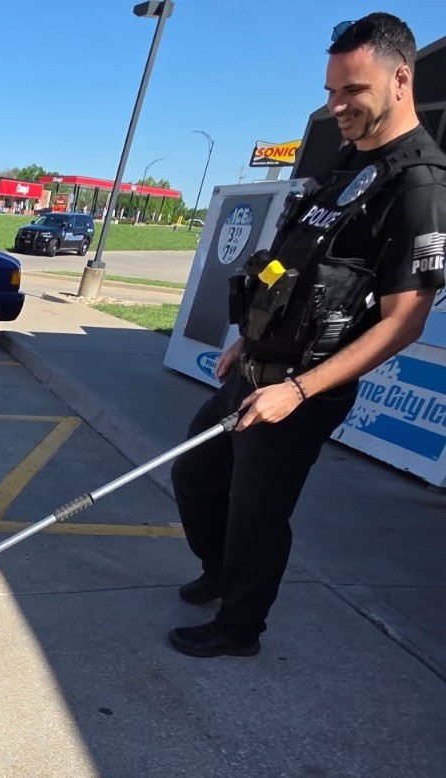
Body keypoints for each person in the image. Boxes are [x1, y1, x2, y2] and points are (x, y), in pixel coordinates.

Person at [168, 12, 446, 658]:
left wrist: (296, 390)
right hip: (258, 365)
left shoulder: (419, 187)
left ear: (400, 80)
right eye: (330, 91)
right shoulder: (351, 163)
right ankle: (218, 572)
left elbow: (405, 321)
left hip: (306, 389)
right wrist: (249, 338)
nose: (336, 105)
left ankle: (240, 628)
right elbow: (290, 264)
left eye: (352, 91)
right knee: (197, 473)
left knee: (257, 512)